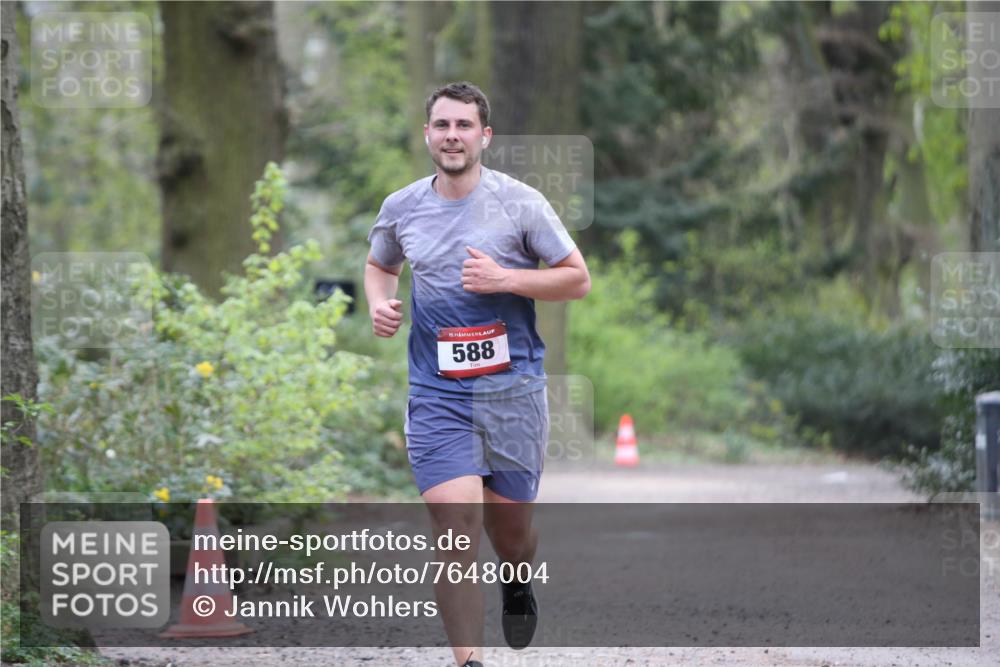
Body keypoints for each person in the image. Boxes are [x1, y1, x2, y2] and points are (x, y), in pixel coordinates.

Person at [364, 81, 590, 667]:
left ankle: (516, 579)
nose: (452, 136)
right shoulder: (402, 206)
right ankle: (469, 661)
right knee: (457, 529)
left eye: (464, 126)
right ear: (427, 135)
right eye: (442, 125)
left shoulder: (521, 203)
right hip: (437, 393)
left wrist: (508, 280)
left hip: (512, 391)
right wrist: (379, 302)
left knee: (510, 534)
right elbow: (379, 264)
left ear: (484, 136)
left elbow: (576, 278)